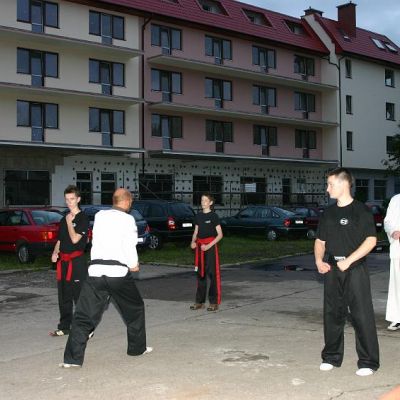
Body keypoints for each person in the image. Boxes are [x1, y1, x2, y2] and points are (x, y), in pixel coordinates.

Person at [60, 188, 151, 368]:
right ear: (127, 201)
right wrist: (133, 264)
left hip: (95, 272)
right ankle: (137, 349)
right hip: (117, 273)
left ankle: (72, 360)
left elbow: (99, 240)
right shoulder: (128, 219)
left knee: (83, 315)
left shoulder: (100, 216)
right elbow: (129, 245)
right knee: (135, 309)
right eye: (131, 202)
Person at [314, 168, 379, 376]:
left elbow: (371, 240)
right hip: (332, 269)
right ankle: (331, 357)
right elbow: (320, 241)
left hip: (355, 268)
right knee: (332, 314)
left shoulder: (361, 211)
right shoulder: (328, 213)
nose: (327, 189)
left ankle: (368, 362)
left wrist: (349, 261)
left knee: (361, 315)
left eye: (330, 184)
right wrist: (318, 260)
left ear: (344, 184)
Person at [50, 185, 89, 337]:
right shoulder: (63, 219)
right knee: (64, 296)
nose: (69, 202)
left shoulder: (83, 218)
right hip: (64, 262)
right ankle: (65, 326)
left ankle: (85, 328)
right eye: (67, 199)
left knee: (79, 297)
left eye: (72, 199)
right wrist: (55, 252)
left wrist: (69, 222)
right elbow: (61, 240)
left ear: (78, 199)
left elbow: (74, 239)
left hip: (77, 262)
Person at [190, 193, 223, 312]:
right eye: (202, 200)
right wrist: (193, 242)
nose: (203, 202)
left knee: (212, 274)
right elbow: (196, 232)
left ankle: (214, 302)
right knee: (200, 274)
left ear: (210, 203)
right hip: (200, 247)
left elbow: (220, 235)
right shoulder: (198, 216)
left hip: (210, 247)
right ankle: (200, 302)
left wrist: (209, 246)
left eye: (205, 200)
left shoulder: (214, 216)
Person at [383, 194, 400, 330]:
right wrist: (393, 231)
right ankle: (397, 317)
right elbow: (387, 221)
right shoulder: (396, 200)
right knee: (397, 284)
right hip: (398, 247)